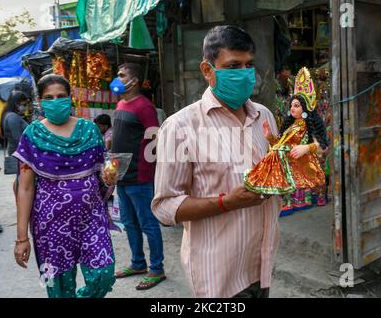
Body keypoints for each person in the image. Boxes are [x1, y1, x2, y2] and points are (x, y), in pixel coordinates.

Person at [152, 25, 281, 298]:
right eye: (233, 65)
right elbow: (164, 207)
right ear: (208, 70)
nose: (245, 74)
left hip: (261, 264)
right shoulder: (180, 127)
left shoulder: (265, 117)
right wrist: (227, 202)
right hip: (218, 276)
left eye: (249, 65)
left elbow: (276, 173)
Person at [13, 74, 116, 298]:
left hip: (91, 218)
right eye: (49, 98)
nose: (55, 101)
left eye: (61, 96)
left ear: (70, 98)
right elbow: (25, 188)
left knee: (103, 274)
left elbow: (103, 173)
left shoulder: (89, 130)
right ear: (40, 101)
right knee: (58, 287)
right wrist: (22, 238)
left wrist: (110, 179)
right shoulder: (32, 136)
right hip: (50, 225)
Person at [111, 62, 165, 290]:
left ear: (134, 81)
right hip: (120, 176)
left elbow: (154, 141)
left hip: (140, 178)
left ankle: (157, 269)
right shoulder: (121, 102)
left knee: (148, 224)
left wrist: (147, 174)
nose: (117, 78)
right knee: (128, 223)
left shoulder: (145, 107)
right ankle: (137, 263)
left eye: (121, 75)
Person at [244, 67, 328, 199]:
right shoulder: (292, 125)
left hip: (301, 166)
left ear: (305, 108)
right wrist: (270, 137)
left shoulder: (309, 125)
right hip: (288, 164)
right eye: (292, 105)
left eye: (296, 106)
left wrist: (305, 148)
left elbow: (322, 146)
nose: (292, 108)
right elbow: (281, 143)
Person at [1, 91, 30, 179]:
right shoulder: (12, 117)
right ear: (16, 104)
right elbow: (18, 139)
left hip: (18, 153)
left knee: (21, 179)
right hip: (20, 155)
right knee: (22, 180)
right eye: (23, 104)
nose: (25, 107)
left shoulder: (10, 115)